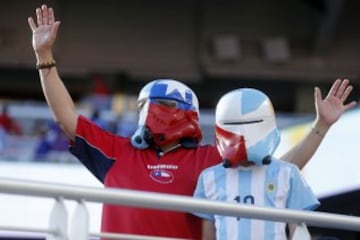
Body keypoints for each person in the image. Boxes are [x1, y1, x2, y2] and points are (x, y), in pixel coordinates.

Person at [27, 4, 357, 239]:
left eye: (164, 105)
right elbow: (66, 118)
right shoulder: (117, 152)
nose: (152, 112)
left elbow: (280, 170)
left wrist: (321, 127)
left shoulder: (209, 159)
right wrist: (44, 57)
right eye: (147, 105)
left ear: (189, 113)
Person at [194, 88, 321, 240]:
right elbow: (208, 234)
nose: (244, 133)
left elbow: (298, 229)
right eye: (233, 124)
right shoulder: (209, 178)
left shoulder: (288, 173)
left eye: (252, 122)